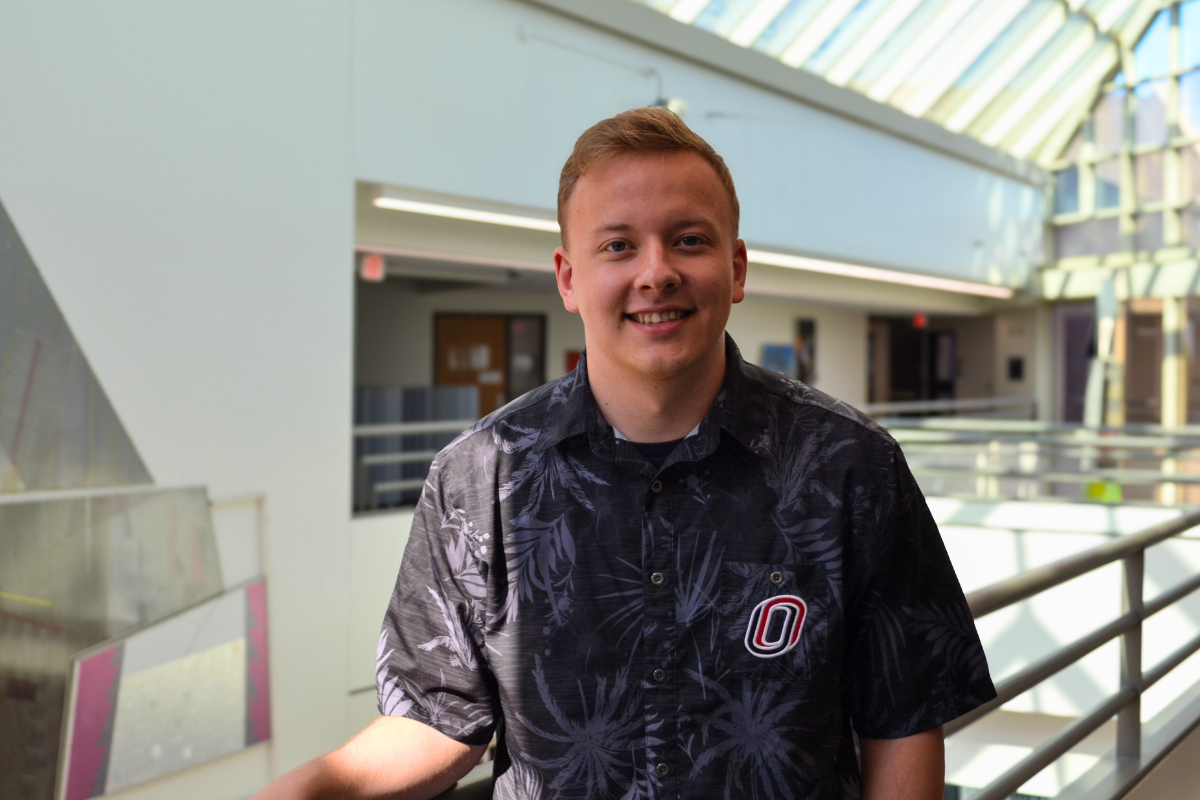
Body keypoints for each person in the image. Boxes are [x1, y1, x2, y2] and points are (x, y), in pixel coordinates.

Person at [256, 108, 994, 800]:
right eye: (618, 245)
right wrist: (318, 787)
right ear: (570, 278)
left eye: (689, 240)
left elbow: (902, 721)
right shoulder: (480, 477)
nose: (655, 273)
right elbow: (436, 717)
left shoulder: (849, 469)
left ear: (736, 270)